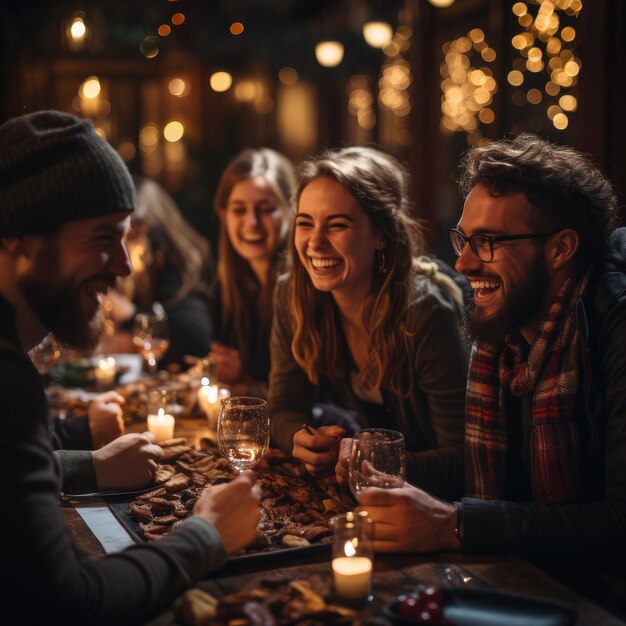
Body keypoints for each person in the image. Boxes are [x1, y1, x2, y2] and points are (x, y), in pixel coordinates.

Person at [0, 110, 260, 625]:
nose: (123, 265)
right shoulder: (8, 382)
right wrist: (204, 535)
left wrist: (87, 465)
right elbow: (68, 604)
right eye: (102, 239)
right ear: (18, 238)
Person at [354, 134, 626, 608]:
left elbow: (619, 522)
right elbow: (498, 472)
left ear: (561, 248)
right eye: (463, 238)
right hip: (525, 580)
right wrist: (381, 468)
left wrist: (453, 524)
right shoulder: (505, 334)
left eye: (488, 242)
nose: (462, 262)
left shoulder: (614, 327)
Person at [269, 146, 468, 499]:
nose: (315, 243)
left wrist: (378, 461)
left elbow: (467, 461)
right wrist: (301, 438)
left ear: (381, 235)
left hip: (433, 508)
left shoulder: (425, 313)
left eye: (337, 225)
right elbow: (283, 408)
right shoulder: (295, 295)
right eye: (305, 223)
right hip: (364, 499)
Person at [100, 175, 214, 369]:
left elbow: (194, 339)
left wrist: (130, 315)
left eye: (132, 238)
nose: (123, 252)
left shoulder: (179, 270)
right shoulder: (138, 274)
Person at [209, 148, 296, 393]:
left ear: (291, 212)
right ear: (223, 215)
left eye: (266, 209)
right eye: (239, 210)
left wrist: (247, 384)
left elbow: (313, 400)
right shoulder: (227, 285)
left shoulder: (303, 290)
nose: (252, 223)